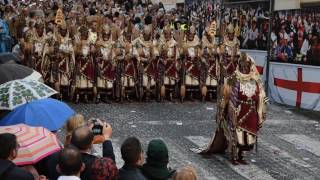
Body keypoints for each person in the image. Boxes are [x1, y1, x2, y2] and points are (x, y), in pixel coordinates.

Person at [199, 53, 267, 165]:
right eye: (242, 66)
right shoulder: (233, 77)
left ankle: (241, 155)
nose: (244, 69)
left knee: (247, 136)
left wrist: (262, 110)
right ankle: (234, 155)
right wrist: (224, 109)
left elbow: (263, 96)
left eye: (246, 66)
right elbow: (225, 94)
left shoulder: (256, 80)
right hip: (237, 110)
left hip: (251, 112)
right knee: (236, 134)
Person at [47, 121, 115, 180]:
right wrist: (106, 138)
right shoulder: (95, 163)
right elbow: (109, 167)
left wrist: (86, 132)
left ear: (58, 168)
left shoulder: (54, 157)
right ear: (82, 167)